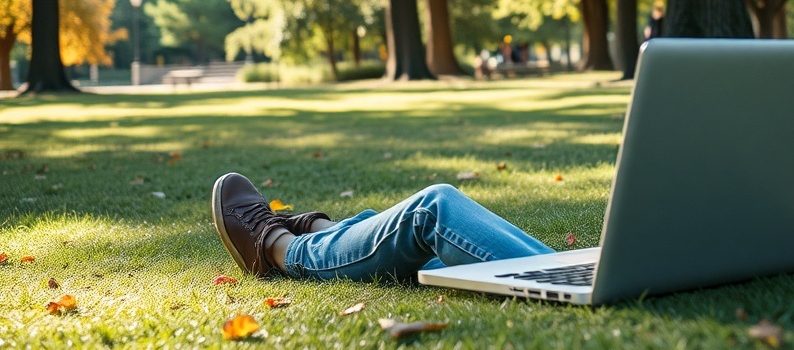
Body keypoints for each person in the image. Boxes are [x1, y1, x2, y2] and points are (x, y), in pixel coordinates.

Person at [212, 172, 554, 280]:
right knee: (430, 249)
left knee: (432, 210)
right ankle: (335, 230)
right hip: (573, 271)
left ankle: (283, 250)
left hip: (552, 278)